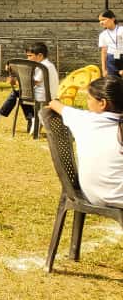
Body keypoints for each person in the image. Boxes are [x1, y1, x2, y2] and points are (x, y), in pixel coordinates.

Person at [48, 76, 123, 208]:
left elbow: (54, 104)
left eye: (89, 98)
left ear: (102, 103)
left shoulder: (82, 119)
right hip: (117, 196)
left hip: (92, 194)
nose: (87, 103)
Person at [0, 42, 59, 126]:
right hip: (46, 94)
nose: (28, 59)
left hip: (43, 95)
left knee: (18, 94)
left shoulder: (42, 66)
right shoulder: (47, 65)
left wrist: (15, 82)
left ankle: (0, 114)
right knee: (21, 95)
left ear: (40, 55)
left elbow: (30, 84)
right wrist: (12, 69)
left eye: (30, 56)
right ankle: (32, 119)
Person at [98, 9, 123, 78]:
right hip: (111, 60)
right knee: (113, 82)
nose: (101, 22)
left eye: (103, 19)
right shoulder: (103, 35)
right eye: (100, 21)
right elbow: (104, 52)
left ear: (112, 19)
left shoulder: (121, 30)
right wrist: (104, 70)